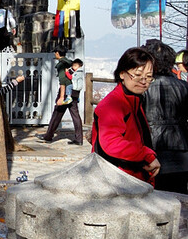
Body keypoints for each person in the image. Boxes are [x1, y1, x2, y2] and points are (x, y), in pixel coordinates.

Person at [90, 47, 160, 185]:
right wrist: (146, 155)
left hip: (132, 179)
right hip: (118, 182)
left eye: (149, 76)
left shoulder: (134, 100)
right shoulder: (113, 104)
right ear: (122, 74)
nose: (143, 81)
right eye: (138, 75)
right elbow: (111, 142)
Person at [141, 40, 188, 194]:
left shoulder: (143, 88)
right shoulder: (183, 86)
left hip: (152, 149)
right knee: (179, 199)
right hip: (181, 149)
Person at [38, 45, 83, 144]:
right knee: (75, 115)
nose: (55, 54)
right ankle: (79, 139)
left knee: (57, 113)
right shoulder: (71, 63)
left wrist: (62, 97)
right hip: (74, 91)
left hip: (66, 92)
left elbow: (63, 81)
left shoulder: (61, 64)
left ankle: (48, 136)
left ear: (58, 53)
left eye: (55, 53)